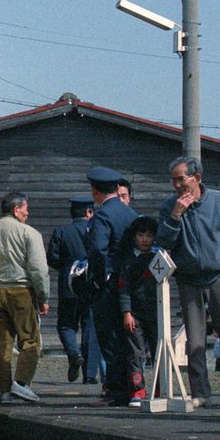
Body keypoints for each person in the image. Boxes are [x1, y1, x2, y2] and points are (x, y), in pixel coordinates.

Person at [155, 156, 220, 409]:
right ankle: (201, 391)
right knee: (195, 340)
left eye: (182, 179)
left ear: (197, 178)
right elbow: (164, 242)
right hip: (189, 279)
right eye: (174, 180)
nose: (177, 185)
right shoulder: (169, 206)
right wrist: (176, 215)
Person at [85, 166, 138, 404]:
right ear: (117, 189)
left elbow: (98, 248)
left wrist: (99, 276)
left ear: (95, 191)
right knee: (128, 338)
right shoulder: (130, 214)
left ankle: (116, 389)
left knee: (109, 337)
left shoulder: (103, 216)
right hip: (129, 282)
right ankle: (133, 385)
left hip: (108, 285)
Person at [0, 192, 50, 403]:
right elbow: (38, 269)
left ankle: (4, 391)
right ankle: (22, 383)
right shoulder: (29, 233)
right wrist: (43, 296)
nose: (28, 213)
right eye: (25, 209)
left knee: (2, 344)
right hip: (21, 291)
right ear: (16, 210)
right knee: (31, 341)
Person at [47, 198, 99, 384]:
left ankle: (74, 353)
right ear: (88, 213)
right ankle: (90, 375)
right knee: (89, 327)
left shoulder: (62, 231)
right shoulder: (94, 231)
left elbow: (52, 259)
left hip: (68, 285)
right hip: (90, 286)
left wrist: (66, 266)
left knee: (66, 325)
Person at [117, 216, 160, 407]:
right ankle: (138, 389)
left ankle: (160, 388)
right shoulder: (128, 260)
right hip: (135, 314)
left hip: (157, 312)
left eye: (149, 235)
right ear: (134, 236)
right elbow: (123, 287)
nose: (145, 239)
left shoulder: (158, 258)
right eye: (141, 234)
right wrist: (126, 312)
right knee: (136, 353)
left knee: (159, 351)